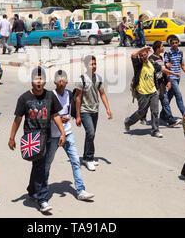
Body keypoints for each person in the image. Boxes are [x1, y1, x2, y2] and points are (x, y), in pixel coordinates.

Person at [8, 66, 66, 213]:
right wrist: (12, 138)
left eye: (41, 79)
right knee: (39, 166)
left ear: (45, 81)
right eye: (36, 78)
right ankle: (42, 199)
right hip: (31, 138)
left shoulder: (50, 96)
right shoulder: (24, 98)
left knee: (39, 166)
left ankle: (34, 191)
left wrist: (63, 132)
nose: (38, 81)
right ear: (32, 81)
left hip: (45, 137)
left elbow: (55, 115)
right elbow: (18, 119)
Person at [45, 70, 94, 201]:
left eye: (64, 80)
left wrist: (77, 117)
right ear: (55, 82)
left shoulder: (69, 94)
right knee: (47, 163)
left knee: (75, 161)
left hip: (67, 133)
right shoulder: (50, 96)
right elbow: (46, 115)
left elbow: (74, 108)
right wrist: (58, 118)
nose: (62, 83)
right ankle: (42, 189)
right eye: (59, 80)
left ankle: (81, 190)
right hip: (54, 135)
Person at [75, 55, 113, 171]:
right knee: (90, 133)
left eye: (95, 64)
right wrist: (77, 116)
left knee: (91, 135)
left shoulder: (98, 78)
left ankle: (86, 157)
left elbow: (102, 94)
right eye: (91, 64)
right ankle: (89, 159)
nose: (93, 66)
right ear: (86, 65)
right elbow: (78, 98)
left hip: (95, 111)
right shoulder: (81, 79)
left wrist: (108, 109)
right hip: (84, 111)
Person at [149, 41, 181, 127]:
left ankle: (170, 120)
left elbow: (163, 71)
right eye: (162, 46)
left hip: (161, 83)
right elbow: (159, 70)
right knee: (153, 104)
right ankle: (143, 118)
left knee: (165, 101)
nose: (163, 48)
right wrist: (169, 70)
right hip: (155, 85)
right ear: (158, 48)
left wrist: (168, 81)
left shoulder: (160, 57)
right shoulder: (151, 59)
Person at [164, 37, 185, 117]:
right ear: (170, 44)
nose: (174, 45)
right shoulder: (168, 53)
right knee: (178, 95)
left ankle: (163, 115)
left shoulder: (180, 52)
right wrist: (168, 80)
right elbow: (166, 67)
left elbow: (182, 65)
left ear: (178, 43)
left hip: (177, 77)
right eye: (172, 43)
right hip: (172, 78)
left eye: (176, 43)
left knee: (169, 96)